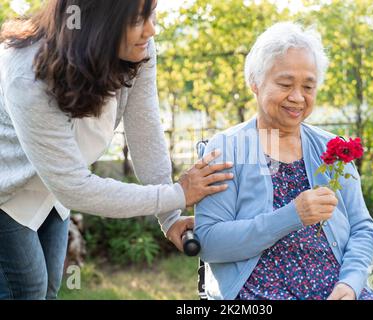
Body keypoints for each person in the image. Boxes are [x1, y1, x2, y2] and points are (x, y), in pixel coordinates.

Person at [0, 0, 233, 300]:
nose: (151, 29)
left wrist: (171, 217)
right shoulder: (27, 74)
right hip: (8, 193)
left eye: (151, 13)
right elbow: (75, 188)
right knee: (27, 291)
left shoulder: (138, 51)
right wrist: (178, 193)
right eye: (137, 19)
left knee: (48, 290)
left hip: (54, 187)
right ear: (98, 23)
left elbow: (145, 136)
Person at [194, 22, 373, 300]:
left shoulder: (333, 149)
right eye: (284, 84)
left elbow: (361, 227)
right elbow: (209, 242)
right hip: (259, 291)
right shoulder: (227, 149)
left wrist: (351, 284)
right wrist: (292, 216)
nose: (297, 97)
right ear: (255, 83)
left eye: (308, 86)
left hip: (336, 288)